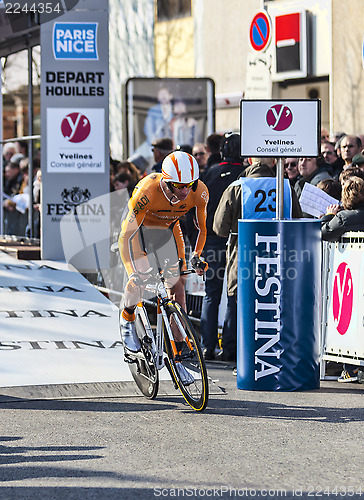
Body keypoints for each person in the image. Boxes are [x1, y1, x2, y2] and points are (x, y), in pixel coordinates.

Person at [118, 151, 209, 382]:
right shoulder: (147, 190)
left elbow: (201, 228)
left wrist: (197, 255)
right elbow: (125, 236)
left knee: (178, 289)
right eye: (178, 186)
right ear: (166, 181)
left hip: (169, 232)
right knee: (139, 278)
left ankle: (176, 357)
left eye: (189, 185)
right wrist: (133, 273)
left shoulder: (200, 191)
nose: (184, 191)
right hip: (139, 232)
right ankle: (127, 319)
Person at [212, 157, 302, 365]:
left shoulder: (236, 187)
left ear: (250, 161)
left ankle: (234, 352)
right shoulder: (286, 187)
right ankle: (275, 352)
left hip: (243, 255)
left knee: (239, 301)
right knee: (274, 301)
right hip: (278, 255)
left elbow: (219, 228)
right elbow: (297, 221)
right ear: (273, 162)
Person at [200, 133, 245, 361]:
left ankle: (207, 346)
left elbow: (196, 208)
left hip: (211, 241)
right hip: (238, 241)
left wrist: (196, 238)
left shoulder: (209, 173)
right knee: (234, 294)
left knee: (211, 294)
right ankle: (230, 348)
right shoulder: (245, 176)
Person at [321, 175, 364, 382]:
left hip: (349, 281)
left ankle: (351, 369)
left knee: (350, 320)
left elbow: (324, 233)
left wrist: (328, 216)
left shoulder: (344, 218)